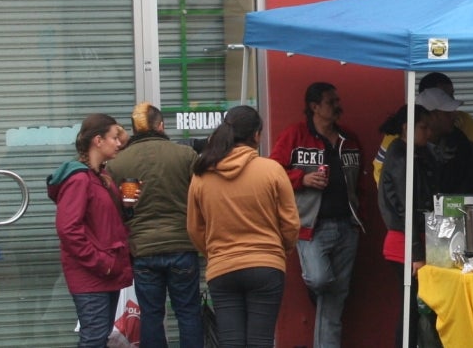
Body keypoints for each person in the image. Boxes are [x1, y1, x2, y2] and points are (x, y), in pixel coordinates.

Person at [187, 106, 299, 348]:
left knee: (231, 342)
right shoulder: (272, 170)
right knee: (260, 341)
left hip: (222, 267)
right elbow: (290, 223)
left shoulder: (201, 175)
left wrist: (215, 253)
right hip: (266, 264)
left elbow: (195, 228)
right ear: (256, 135)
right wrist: (279, 252)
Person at [269, 82, 365, 348]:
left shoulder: (350, 139)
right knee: (321, 280)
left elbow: (361, 183)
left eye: (337, 99)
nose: (337, 105)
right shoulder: (295, 135)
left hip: (347, 227)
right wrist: (302, 178)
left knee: (335, 301)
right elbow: (272, 173)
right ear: (314, 107)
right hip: (311, 227)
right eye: (330, 101)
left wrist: (357, 213)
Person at [105, 102, 202, 348]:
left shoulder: (119, 164)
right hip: (182, 246)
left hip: (143, 250)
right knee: (188, 313)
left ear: (134, 131)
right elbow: (200, 198)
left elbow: (122, 207)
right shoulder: (185, 155)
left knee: (151, 315)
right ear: (161, 126)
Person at [47, 113, 134, 348]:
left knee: (99, 335)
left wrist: (126, 207)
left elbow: (103, 222)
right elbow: (68, 229)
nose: (118, 144)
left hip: (106, 272)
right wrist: (100, 263)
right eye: (114, 138)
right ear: (98, 140)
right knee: (94, 337)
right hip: (92, 273)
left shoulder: (102, 176)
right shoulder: (79, 179)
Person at [373, 72, 473, 195]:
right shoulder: (398, 140)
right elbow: (384, 178)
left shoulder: (461, 131)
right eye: (446, 97)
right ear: (429, 115)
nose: (454, 111)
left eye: (451, 95)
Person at [377, 105, 436, 347]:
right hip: (406, 245)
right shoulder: (401, 157)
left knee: (414, 306)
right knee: (411, 309)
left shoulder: (410, 153)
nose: (429, 133)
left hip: (410, 241)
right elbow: (407, 207)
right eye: (423, 128)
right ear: (406, 128)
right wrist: (417, 255)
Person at [417, 86, 473, 195]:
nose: (455, 115)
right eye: (447, 113)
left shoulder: (459, 140)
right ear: (430, 116)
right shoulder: (407, 147)